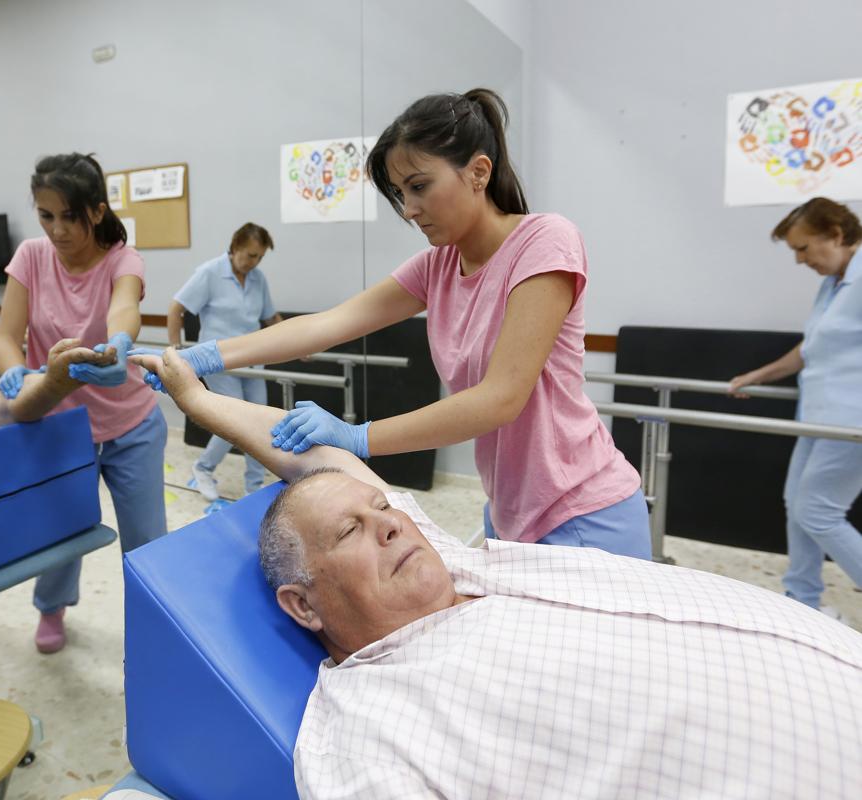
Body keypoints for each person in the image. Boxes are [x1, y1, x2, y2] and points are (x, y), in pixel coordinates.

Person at [133, 347, 862, 800]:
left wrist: (195, 398)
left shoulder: (452, 559)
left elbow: (317, 462)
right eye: (352, 529)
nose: (390, 520)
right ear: (303, 605)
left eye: (383, 505)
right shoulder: (370, 724)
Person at [139, 89, 648, 558]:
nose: (410, 209)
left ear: (478, 171)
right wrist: (199, 357)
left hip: (582, 508)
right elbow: (329, 323)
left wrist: (357, 437)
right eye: (401, 193)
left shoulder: (544, 241)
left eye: (420, 187)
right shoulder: (438, 265)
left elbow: (501, 398)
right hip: (508, 512)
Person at [0, 153, 168, 654]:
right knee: (58, 532)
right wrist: (10, 364)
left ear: (95, 211)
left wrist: (118, 344)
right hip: (60, 428)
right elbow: (6, 335)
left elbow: (125, 305)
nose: (57, 229)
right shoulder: (30, 257)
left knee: (147, 539)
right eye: (46, 216)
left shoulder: (121, 258)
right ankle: (51, 607)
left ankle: (155, 625)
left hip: (130, 425)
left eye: (69, 216)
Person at [729, 197, 862, 617]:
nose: (801, 260)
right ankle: (802, 602)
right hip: (818, 416)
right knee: (796, 504)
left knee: (818, 511)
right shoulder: (835, 283)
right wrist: (757, 375)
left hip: (851, 420)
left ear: (836, 235)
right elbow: (812, 348)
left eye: (803, 248)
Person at [167, 222, 283, 501]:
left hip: (253, 359)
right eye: (250, 255)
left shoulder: (258, 279)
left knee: (261, 422)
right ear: (235, 249)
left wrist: (305, 342)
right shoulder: (210, 273)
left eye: (260, 257)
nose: (254, 263)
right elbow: (176, 309)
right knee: (236, 423)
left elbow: (270, 317)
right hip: (218, 359)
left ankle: (254, 487)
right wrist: (176, 350)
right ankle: (203, 468)